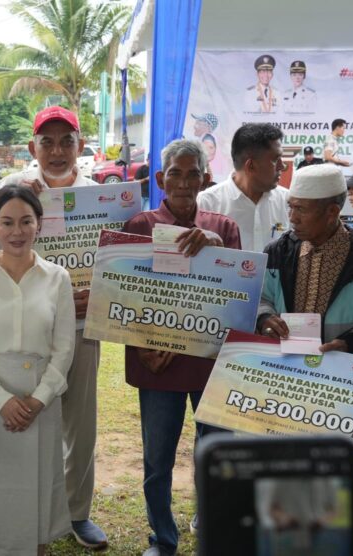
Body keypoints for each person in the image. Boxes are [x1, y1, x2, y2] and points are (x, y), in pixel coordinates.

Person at [0, 105, 107, 549]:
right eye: (47, 142)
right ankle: (25, 506)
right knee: (26, 416)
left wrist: (99, 293)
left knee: (80, 422)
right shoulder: (13, 188)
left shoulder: (100, 197)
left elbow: (119, 263)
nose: (57, 151)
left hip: (81, 327)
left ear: (81, 145)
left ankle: (77, 512)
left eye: (66, 142)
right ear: (32, 147)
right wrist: (20, 201)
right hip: (27, 327)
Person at [123, 140, 240, 556]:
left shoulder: (224, 228)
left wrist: (217, 247)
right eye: (175, 173)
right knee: (157, 460)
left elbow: (237, 295)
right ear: (160, 178)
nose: (184, 183)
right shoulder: (139, 226)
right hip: (157, 364)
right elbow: (121, 294)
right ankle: (163, 538)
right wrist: (141, 345)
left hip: (211, 363)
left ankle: (212, 528)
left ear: (205, 179)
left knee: (216, 454)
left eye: (193, 174)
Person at [0, 185, 75, 555]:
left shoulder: (58, 277)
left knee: (37, 493)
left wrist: (38, 400)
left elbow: (64, 349)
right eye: (7, 222)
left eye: (26, 221)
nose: (17, 231)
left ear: (39, 223)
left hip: (41, 399)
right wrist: (2, 400)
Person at [257, 164, 353, 355]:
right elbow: (260, 298)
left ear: (332, 212)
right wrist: (264, 318)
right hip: (282, 365)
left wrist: (352, 342)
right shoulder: (277, 252)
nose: (292, 218)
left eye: (301, 209)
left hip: (343, 369)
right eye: (290, 207)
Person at [197, 123, 290, 252]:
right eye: (275, 160)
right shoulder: (207, 204)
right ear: (250, 165)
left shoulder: (288, 202)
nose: (282, 166)